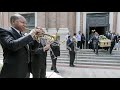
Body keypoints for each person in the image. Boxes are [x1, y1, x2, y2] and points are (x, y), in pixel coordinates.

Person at [0, 14, 42, 78]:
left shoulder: (22, 35)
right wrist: (30, 35)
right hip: (12, 72)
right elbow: (13, 45)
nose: (25, 25)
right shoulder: (4, 32)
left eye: (25, 23)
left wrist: (37, 38)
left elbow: (32, 49)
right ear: (13, 22)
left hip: (25, 72)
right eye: (22, 22)